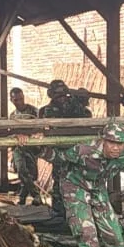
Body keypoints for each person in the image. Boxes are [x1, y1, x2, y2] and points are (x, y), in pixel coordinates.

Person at [40, 80, 91, 219]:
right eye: (58, 96)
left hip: (78, 150)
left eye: (64, 95)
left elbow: (85, 115)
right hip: (59, 152)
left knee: (80, 179)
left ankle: (81, 210)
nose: (62, 98)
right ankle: (59, 213)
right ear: (52, 96)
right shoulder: (47, 110)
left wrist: (80, 98)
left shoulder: (75, 105)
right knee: (59, 181)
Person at [9, 88, 41, 206]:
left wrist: (31, 135)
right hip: (18, 147)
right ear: (11, 100)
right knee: (21, 170)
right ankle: (36, 195)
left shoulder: (34, 111)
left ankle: (22, 197)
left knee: (31, 174)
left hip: (32, 147)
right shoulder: (13, 116)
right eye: (16, 100)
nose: (19, 102)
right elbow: (10, 131)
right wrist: (17, 135)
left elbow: (40, 127)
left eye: (21, 99)